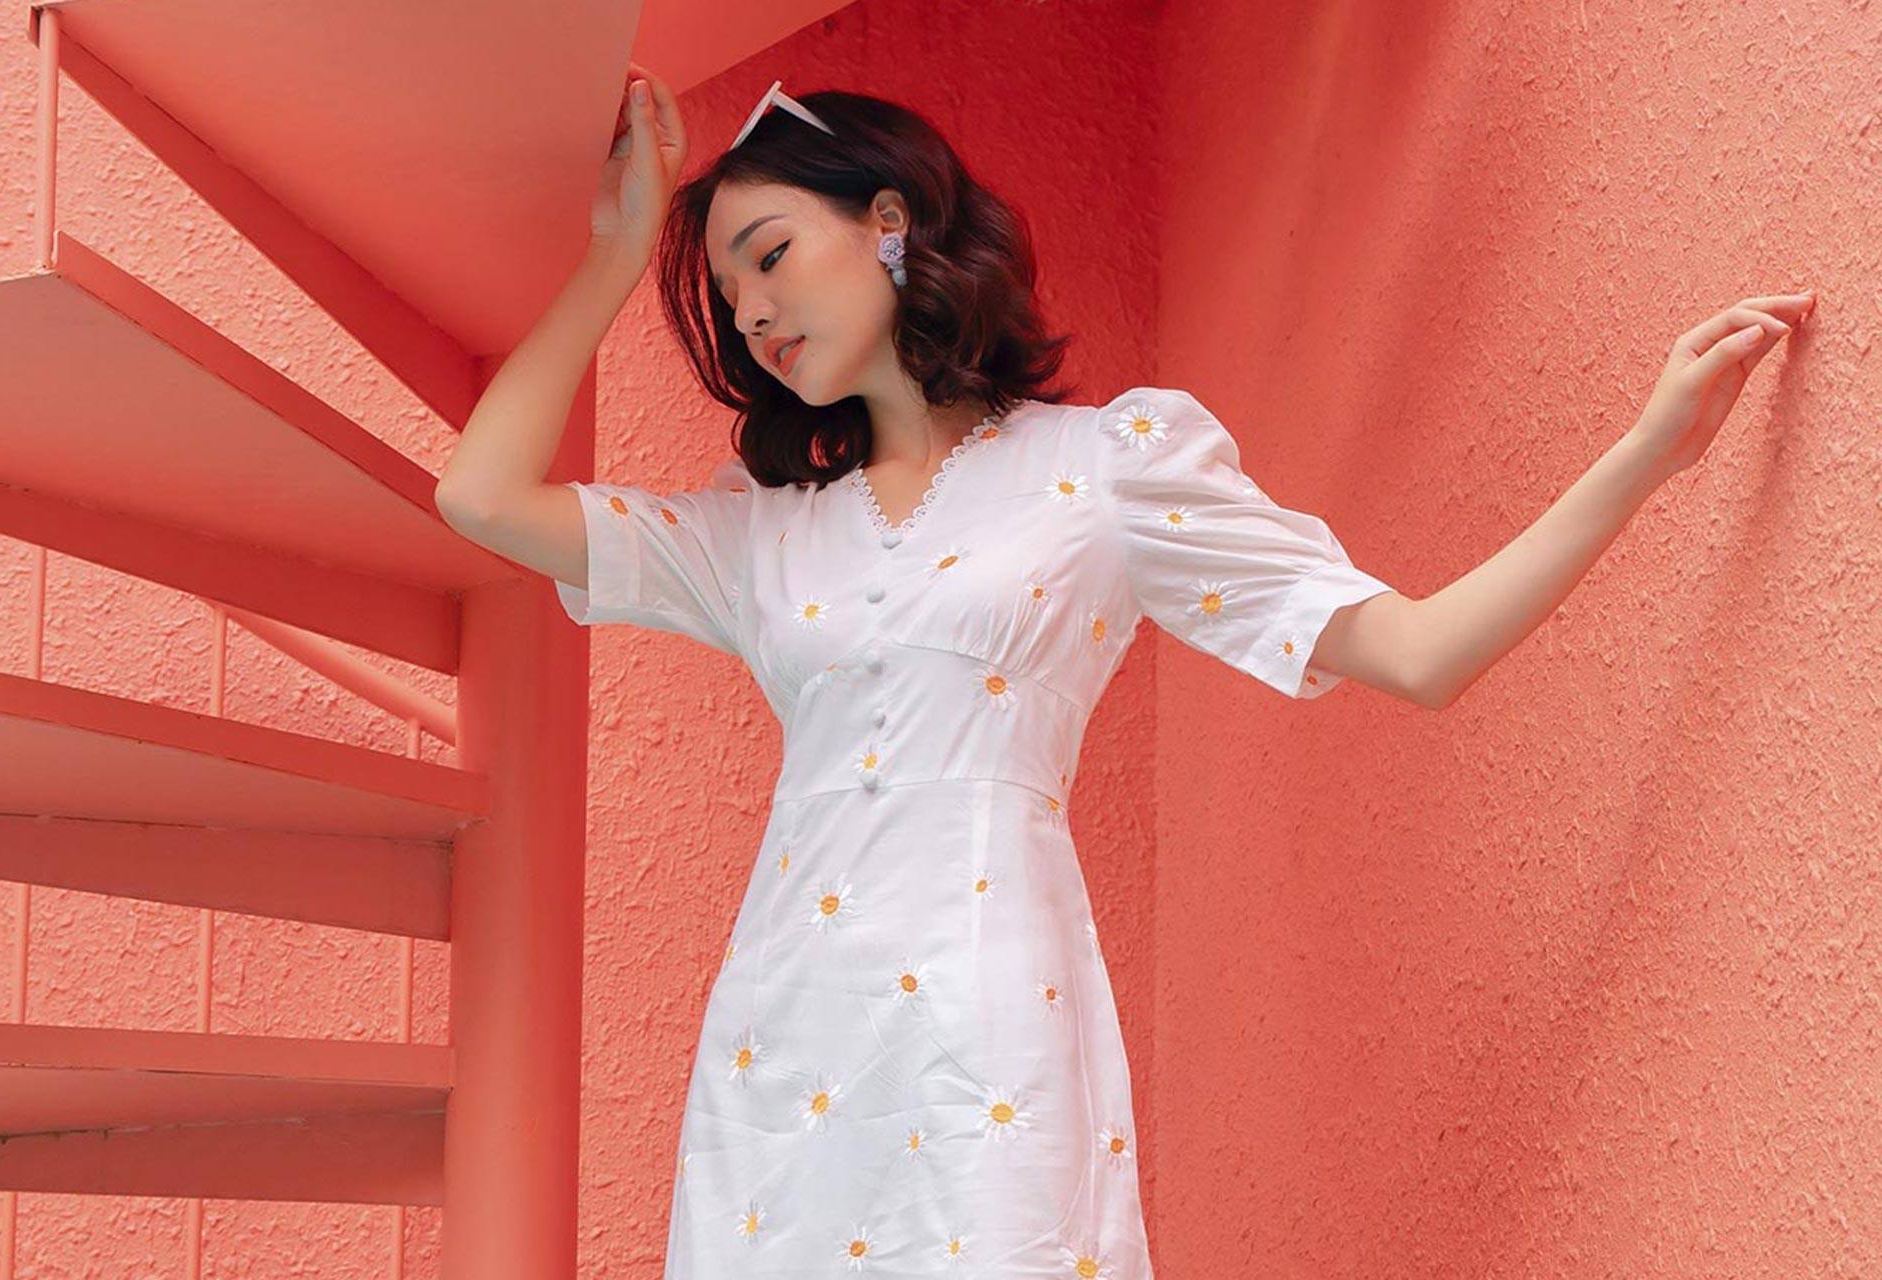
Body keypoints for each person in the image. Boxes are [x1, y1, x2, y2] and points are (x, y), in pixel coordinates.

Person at [434, 61, 1813, 1279]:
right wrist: (616, 257)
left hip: (987, 1013)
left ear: (890, 221)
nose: (748, 311)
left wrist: (1650, 453)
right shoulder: (760, 536)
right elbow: (480, 497)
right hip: (784, 1035)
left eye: (770, 254)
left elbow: (1419, 650)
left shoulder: (1109, 470)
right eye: (726, 294)